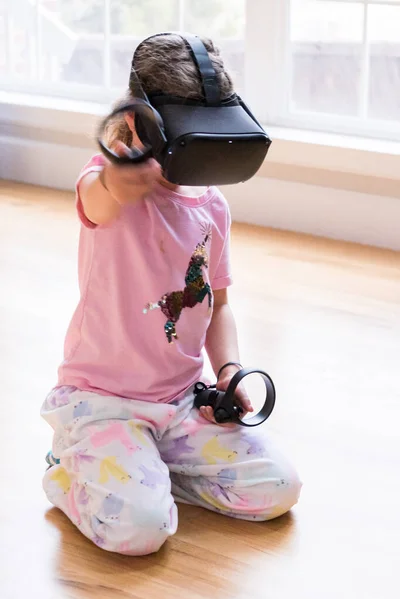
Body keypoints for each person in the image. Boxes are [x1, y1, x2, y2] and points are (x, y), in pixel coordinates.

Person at [41, 33, 301, 556]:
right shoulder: (107, 183)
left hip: (182, 404)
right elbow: (98, 202)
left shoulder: (213, 207)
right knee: (139, 532)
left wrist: (227, 371)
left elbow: (219, 306)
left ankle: (149, 475)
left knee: (280, 487)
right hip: (105, 404)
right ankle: (69, 470)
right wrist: (120, 176)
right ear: (140, 122)